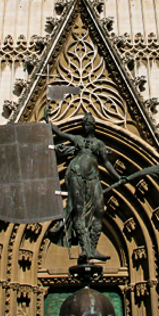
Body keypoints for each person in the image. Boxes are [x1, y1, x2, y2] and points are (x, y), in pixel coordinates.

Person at [44, 108, 125, 262]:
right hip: (76, 174)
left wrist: (118, 177)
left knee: (99, 209)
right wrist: (49, 122)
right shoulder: (78, 140)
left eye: (88, 123)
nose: (86, 125)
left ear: (93, 126)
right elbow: (60, 134)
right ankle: (85, 247)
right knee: (78, 209)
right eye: (84, 123)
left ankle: (92, 249)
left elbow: (106, 162)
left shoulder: (99, 144)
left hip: (93, 177)